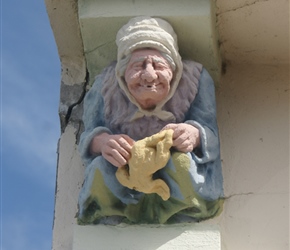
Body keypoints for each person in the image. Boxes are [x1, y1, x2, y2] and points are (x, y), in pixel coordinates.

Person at [77, 16, 223, 224]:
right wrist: (102, 142)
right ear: (122, 72)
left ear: (174, 71)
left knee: (182, 162)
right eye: (138, 66)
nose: (149, 75)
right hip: (123, 169)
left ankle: (185, 209)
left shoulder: (195, 80)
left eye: (158, 65)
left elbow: (210, 131)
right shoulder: (104, 86)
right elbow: (87, 135)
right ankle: (111, 213)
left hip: (173, 168)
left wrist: (194, 134)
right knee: (101, 168)